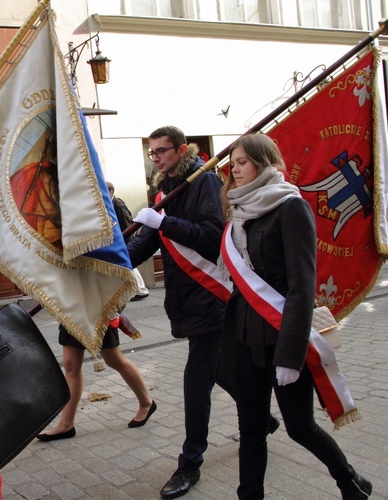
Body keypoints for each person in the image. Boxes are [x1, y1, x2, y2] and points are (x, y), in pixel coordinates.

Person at [218, 134, 371, 499]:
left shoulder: (290, 207)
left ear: (264, 161)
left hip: (282, 336)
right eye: (232, 163)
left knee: (300, 428)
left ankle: (350, 481)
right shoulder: (238, 210)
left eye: (242, 162)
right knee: (251, 428)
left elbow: (303, 286)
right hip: (244, 338)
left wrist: (291, 355)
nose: (234, 169)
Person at [127, 126, 278, 499]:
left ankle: (189, 463)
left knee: (196, 382)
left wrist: (166, 222)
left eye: (162, 151)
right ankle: (262, 418)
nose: (157, 158)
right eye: (152, 153)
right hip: (187, 300)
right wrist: (107, 262)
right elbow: (148, 243)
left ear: (181, 150)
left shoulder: (206, 183)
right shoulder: (165, 192)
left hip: (215, 299)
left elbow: (214, 237)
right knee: (221, 372)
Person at [35, 323, 156, 441]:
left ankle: (146, 403)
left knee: (114, 360)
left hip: (98, 313)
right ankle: (66, 424)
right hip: (71, 313)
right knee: (70, 365)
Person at [107, 181, 149, 301]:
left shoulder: (118, 204)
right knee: (127, 264)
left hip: (124, 239)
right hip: (118, 240)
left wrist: (126, 240)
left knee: (128, 264)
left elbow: (127, 223)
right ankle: (139, 289)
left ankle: (141, 289)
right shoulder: (110, 204)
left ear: (111, 191)